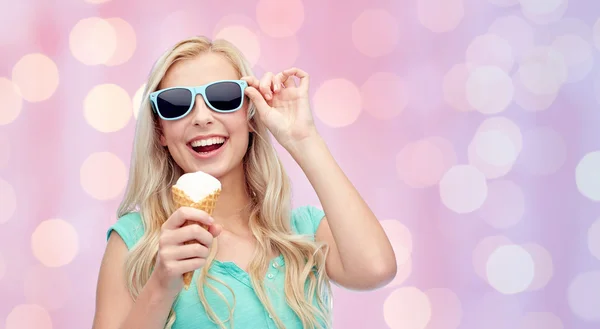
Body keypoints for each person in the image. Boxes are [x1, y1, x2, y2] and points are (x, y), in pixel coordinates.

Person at [92, 35, 397, 329]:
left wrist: (303, 139)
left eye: (222, 97)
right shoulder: (136, 241)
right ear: (160, 132)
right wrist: (161, 284)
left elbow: (376, 269)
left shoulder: (301, 232)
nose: (201, 118)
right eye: (175, 104)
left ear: (251, 115)